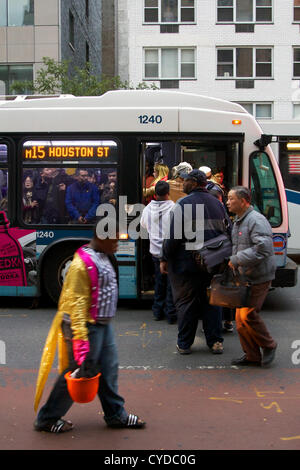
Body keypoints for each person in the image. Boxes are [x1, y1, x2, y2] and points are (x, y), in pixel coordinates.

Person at [34, 221, 146, 432]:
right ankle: (47, 418)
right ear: (102, 238)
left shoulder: (103, 255)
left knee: (108, 369)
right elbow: (76, 306)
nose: (116, 245)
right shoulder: (79, 265)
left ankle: (115, 414)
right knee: (80, 372)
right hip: (85, 327)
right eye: (113, 241)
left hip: (102, 324)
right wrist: (81, 342)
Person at [160, 169, 226, 355]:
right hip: (212, 262)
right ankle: (215, 342)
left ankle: (185, 344)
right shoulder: (217, 203)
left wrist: (164, 258)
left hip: (186, 264)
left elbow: (173, 238)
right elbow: (225, 231)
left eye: (186, 180)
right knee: (212, 301)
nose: (183, 183)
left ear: (195, 183)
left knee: (186, 303)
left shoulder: (183, 203)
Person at [227, 186, 277, 367]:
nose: (227, 202)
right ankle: (252, 356)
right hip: (245, 275)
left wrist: (237, 259)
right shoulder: (240, 219)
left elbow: (263, 249)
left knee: (248, 315)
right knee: (240, 319)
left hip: (259, 276)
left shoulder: (256, 220)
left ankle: (269, 344)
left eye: (231, 198)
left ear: (243, 201)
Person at [140, 181, 177, 324]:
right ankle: (170, 314)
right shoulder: (174, 208)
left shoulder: (148, 208)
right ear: (168, 192)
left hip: (155, 251)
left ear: (155, 194)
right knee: (171, 284)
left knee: (159, 282)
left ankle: (157, 311)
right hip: (170, 252)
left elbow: (144, 225)